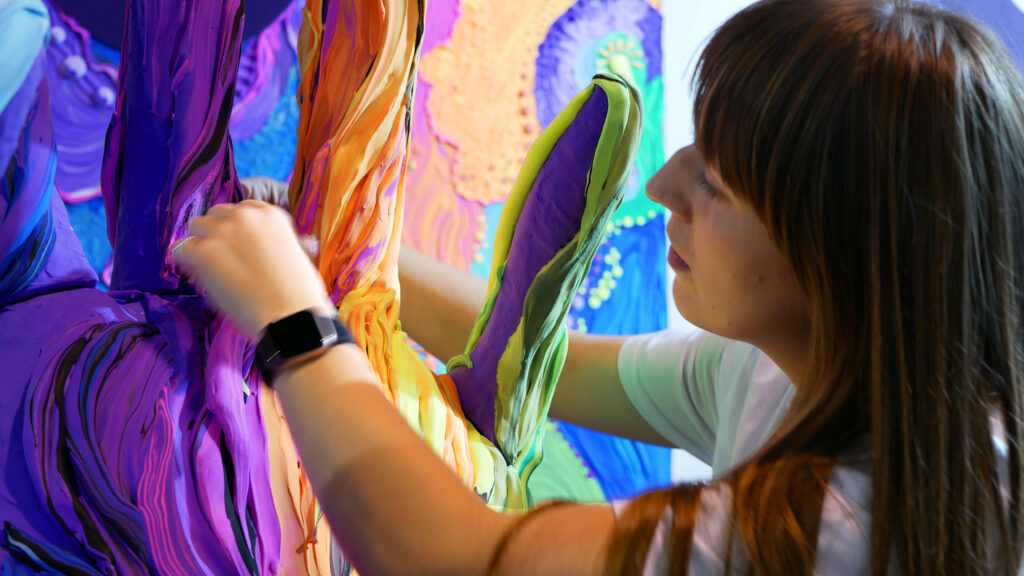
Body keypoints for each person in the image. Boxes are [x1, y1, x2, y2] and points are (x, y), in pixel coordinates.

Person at [173, 0, 1024, 573]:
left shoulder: (836, 533)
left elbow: (465, 559)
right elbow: (560, 365)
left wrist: (298, 325)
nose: (663, 188)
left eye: (718, 185)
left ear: (836, 255)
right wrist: (330, 249)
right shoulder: (783, 372)